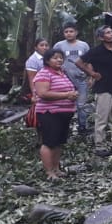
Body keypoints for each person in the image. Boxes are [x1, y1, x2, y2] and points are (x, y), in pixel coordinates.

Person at [76, 26, 112, 157]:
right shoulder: (96, 51)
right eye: (108, 33)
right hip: (103, 89)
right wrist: (92, 74)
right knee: (102, 119)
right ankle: (99, 146)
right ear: (101, 37)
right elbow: (78, 62)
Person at [33, 50, 78, 179]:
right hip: (49, 113)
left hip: (64, 113)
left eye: (60, 58)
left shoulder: (61, 73)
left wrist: (72, 95)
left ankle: (56, 169)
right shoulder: (44, 74)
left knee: (58, 142)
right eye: (55, 58)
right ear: (47, 61)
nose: (59, 60)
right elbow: (43, 94)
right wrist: (66, 95)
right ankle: (49, 172)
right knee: (49, 142)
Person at [54, 24, 91, 135]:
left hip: (81, 79)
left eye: (71, 31)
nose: (69, 33)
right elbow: (53, 60)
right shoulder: (59, 45)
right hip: (64, 80)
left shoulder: (83, 45)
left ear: (76, 32)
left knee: (81, 105)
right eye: (66, 31)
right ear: (63, 33)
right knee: (64, 104)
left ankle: (82, 127)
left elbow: (89, 61)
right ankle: (65, 127)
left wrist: (90, 76)